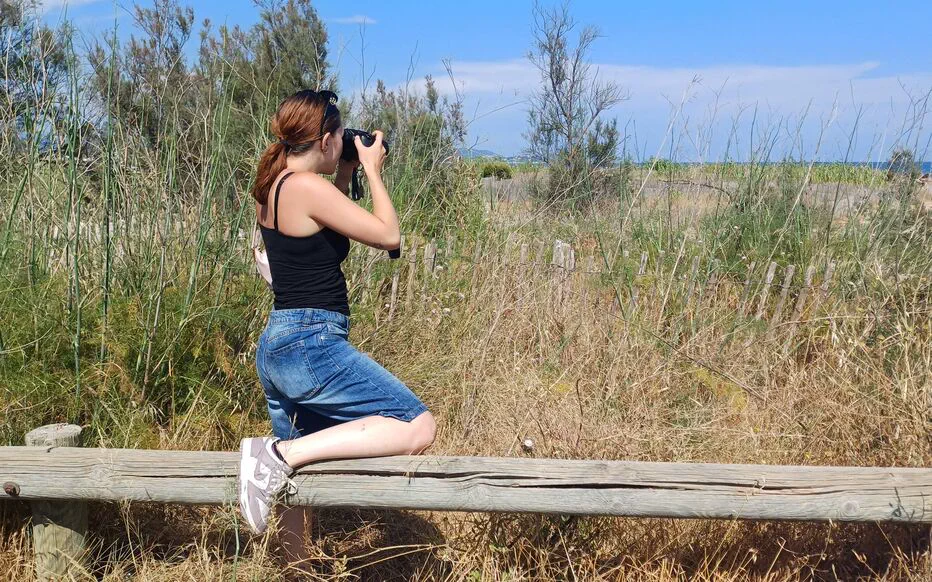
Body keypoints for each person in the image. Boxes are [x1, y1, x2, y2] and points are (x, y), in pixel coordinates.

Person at [238, 89, 436, 556]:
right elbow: (388, 234)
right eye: (341, 137)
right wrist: (371, 168)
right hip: (311, 341)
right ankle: (275, 453)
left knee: (296, 484)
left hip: (280, 343)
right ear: (326, 139)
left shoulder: (278, 184)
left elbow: (327, 229)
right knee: (416, 425)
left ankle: (296, 566)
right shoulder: (305, 187)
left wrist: (345, 169)